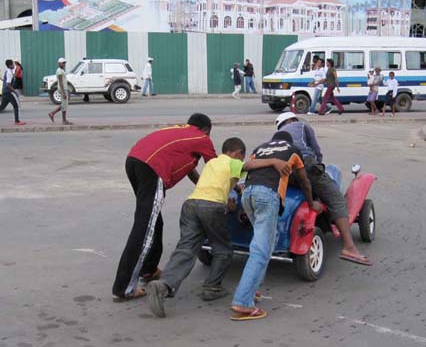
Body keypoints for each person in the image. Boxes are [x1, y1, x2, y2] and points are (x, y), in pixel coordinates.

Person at [146, 137, 293, 318]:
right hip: (211, 206)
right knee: (223, 249)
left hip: (191, 204)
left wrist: (231, 195)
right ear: (238, 153)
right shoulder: (232, 162)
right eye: (242, 157)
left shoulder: (212, 163)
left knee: (186, 248)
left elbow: (224, 183)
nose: (242, 160)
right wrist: (274, 161)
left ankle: (164, 285)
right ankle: (212, 287)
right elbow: (249, 166)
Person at [112, 113, 217, 302]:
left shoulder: (180, 132)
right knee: (145, 228)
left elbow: (191, 171)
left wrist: (201, 186)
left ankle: (149, 270)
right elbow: (217, 168)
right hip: (152, 168)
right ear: (206, 130)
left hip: (134, 161)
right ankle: (124, 287)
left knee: (155, 222)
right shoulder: (202, 138)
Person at [230, 131, 319, 321]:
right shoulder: (293, 149)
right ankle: (243, 302)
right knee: (260, 249)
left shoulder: (259, 149)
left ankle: (252, 289)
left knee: (265, 244)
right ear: (289, 141)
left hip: (248, 195)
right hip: (267, 195)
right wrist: (312, 204)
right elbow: (304, 181)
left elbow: (245, 169)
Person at [276, 112, 372, 266]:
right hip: (305, 165)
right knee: (337, 199)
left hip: (283, 172)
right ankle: (349, 247)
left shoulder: (276, 136)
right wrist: (319, 166)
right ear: (292, 119)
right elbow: (316, 151)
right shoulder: (301, 125)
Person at [0, 59, 26, 127]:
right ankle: (17, 121)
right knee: (16, 106)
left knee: (2, 106)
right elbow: (8, 84)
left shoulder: (8, 71)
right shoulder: (9, 72)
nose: (14, 65)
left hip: (5, 91)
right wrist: (14, 91)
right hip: (8, 92)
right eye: (13, 64)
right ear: (10, 65)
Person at [48, 58, 72, 125]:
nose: (64, 64)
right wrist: (63, 92)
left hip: (64, 88)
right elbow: (60, 82)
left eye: (64, 63)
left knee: (64, 104)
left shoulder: (61, 70)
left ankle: (52, 113)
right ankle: (63, 120)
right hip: (62, 89)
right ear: (59, 63)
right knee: (64, 105)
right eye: (63, 63)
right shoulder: (59, 71)